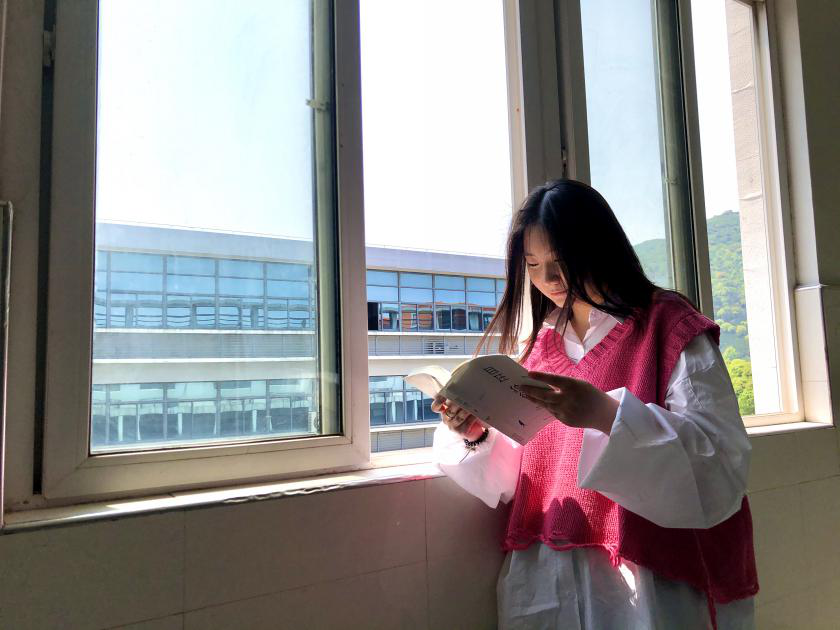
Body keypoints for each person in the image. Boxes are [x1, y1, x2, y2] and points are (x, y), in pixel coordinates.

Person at [431, 179, 757, 630]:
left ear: (600, 247)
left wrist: (605, 414)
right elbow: (527, 470)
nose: (549, 279)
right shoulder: (537, 348)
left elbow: (719, 465)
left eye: (561, 261)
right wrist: (477, 433)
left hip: (653, 576)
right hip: (552, 570)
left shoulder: (668, 327)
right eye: (533, 265)